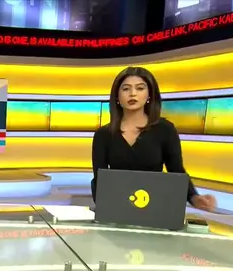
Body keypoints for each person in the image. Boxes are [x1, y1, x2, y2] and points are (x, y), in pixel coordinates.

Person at [91, 66, 216, 211]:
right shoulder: (103, 134)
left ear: (149, 94)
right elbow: (100, 179)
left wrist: (194, 197)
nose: (133, 93)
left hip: (156, 208)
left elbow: (176, 171)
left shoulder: (165, 129)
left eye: (140, 88)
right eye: (126, 89)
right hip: (116, 208)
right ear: (117, 97)